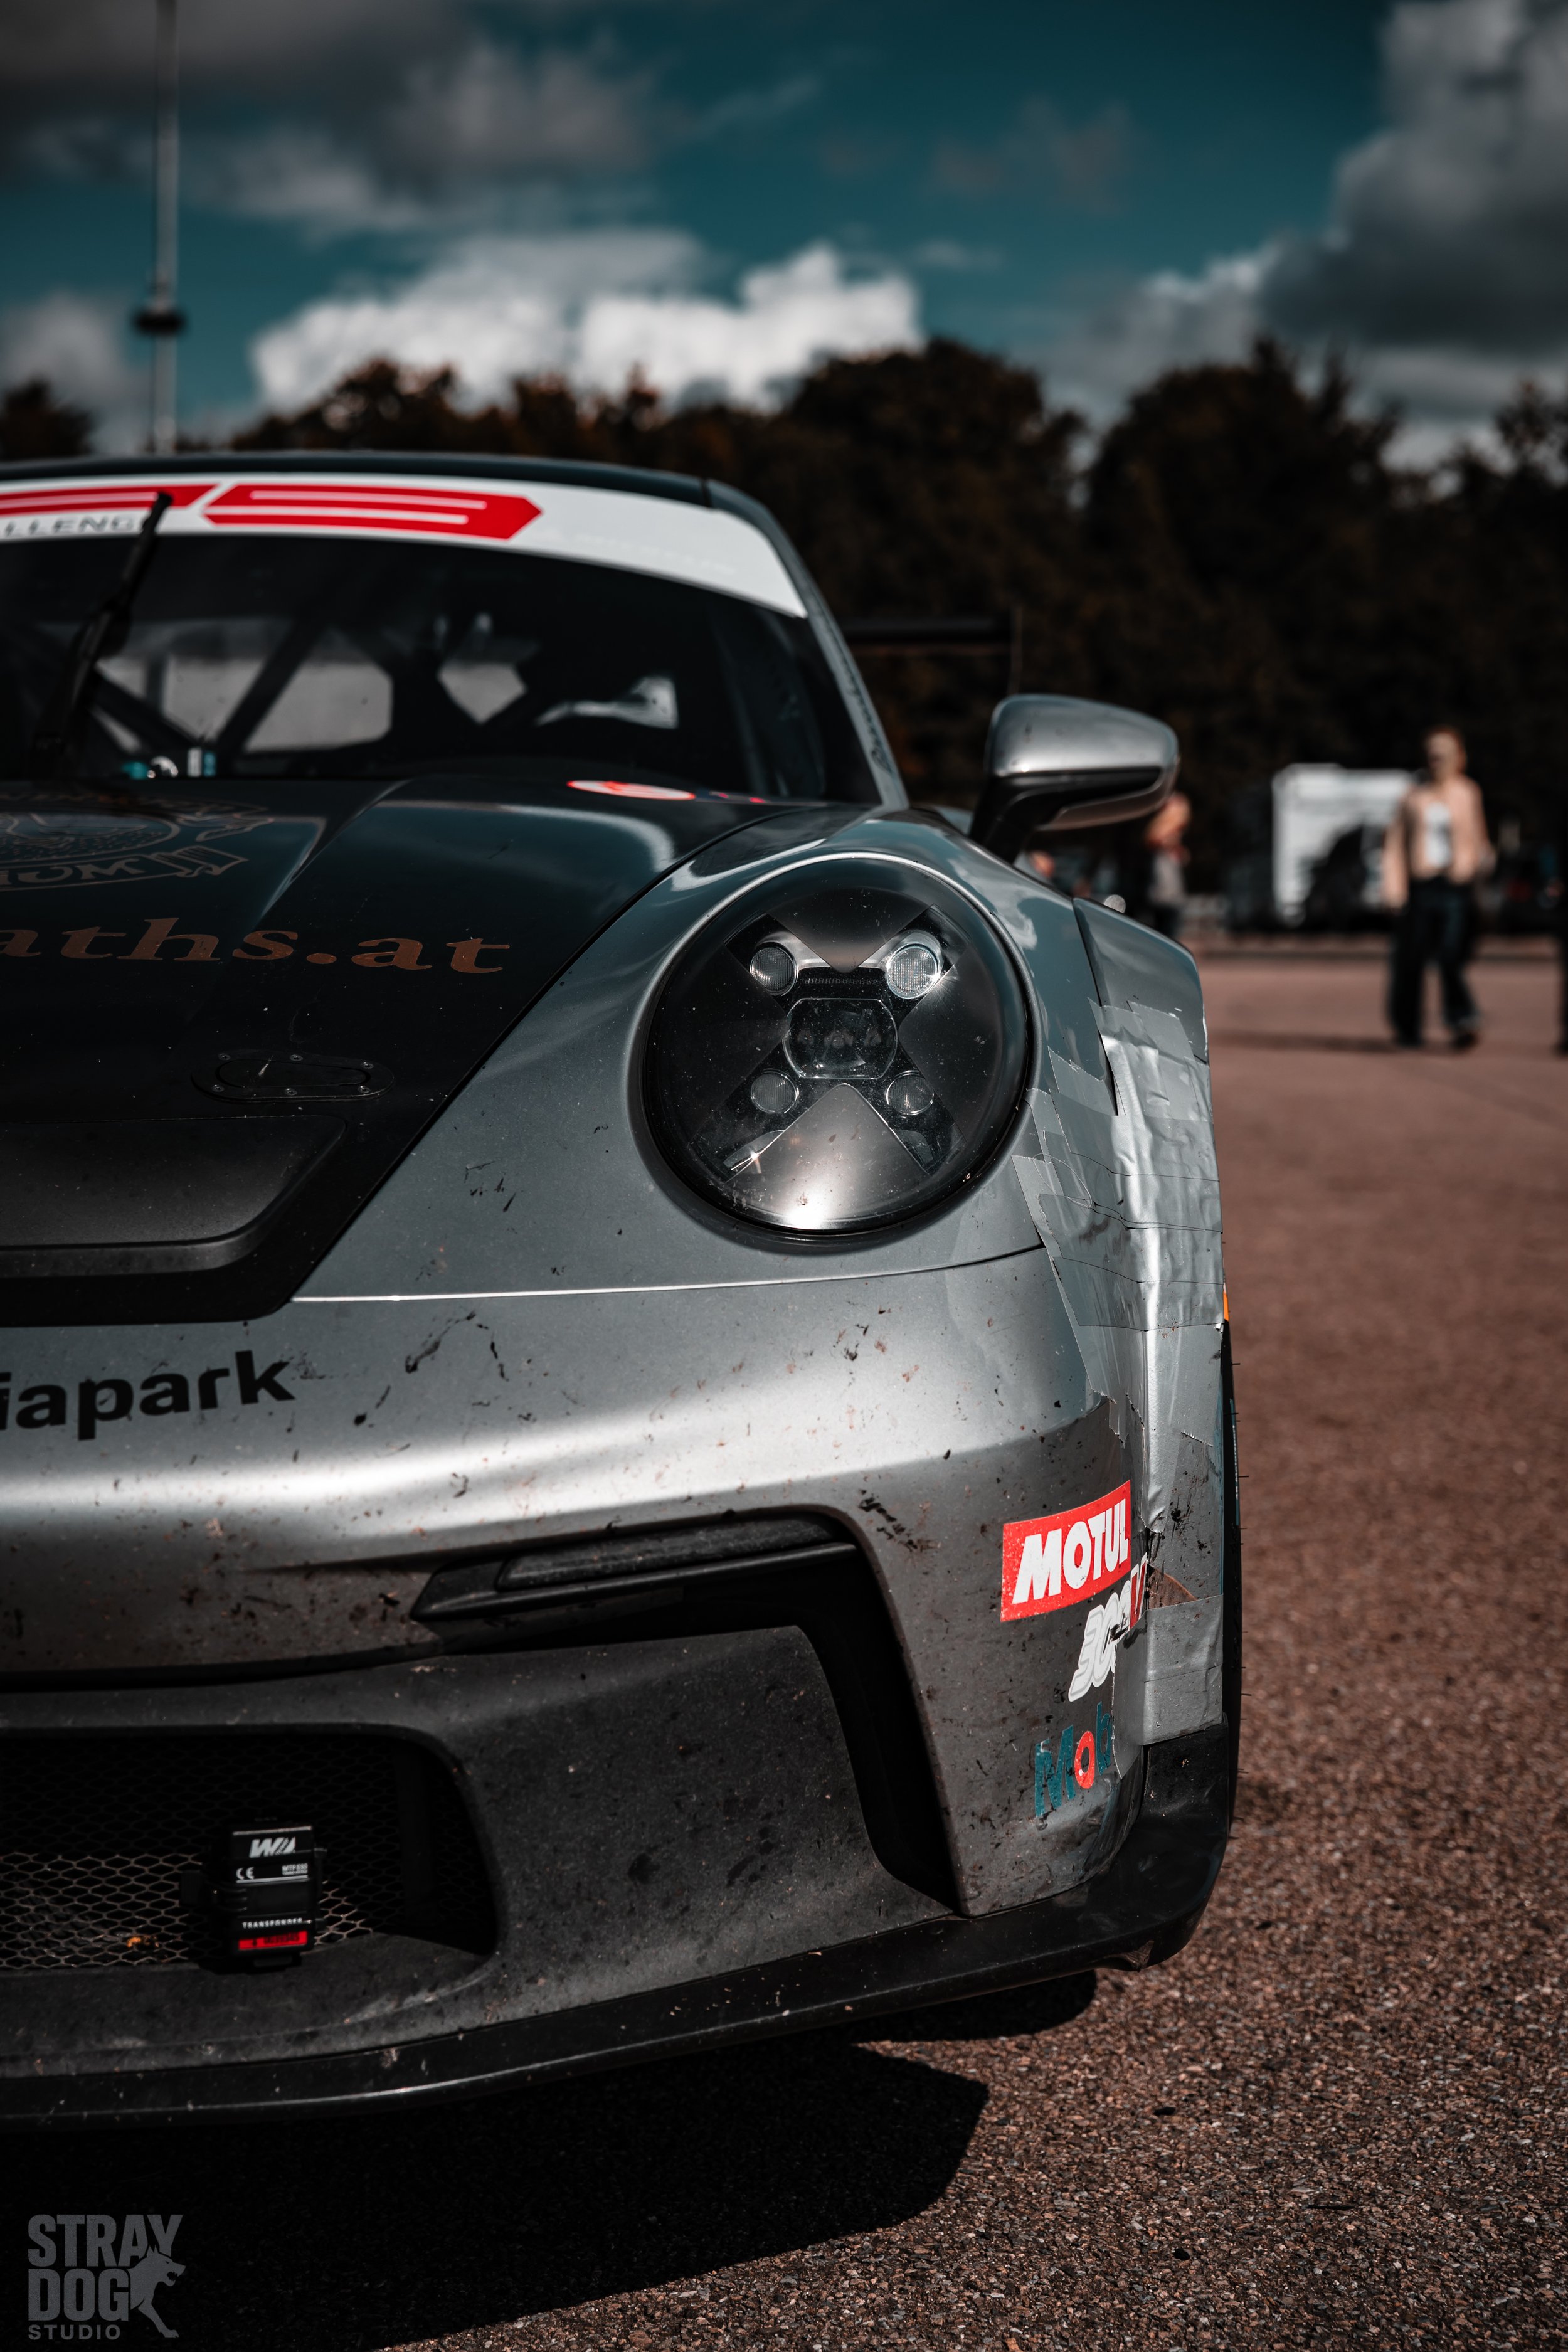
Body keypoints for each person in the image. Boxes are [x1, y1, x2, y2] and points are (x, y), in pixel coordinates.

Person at [1382, 727, 1493, 1049]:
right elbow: (1395, 846)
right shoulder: (1413, 797)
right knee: (1411, 960)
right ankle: (1408, 1027)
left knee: (1450, 956)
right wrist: (1394, 890)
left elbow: (1478, 840)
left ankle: (1462, 1019)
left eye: (1444, 752)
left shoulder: (1468, 793)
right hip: (1421, 885)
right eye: (1431, 752)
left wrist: (1479, 874)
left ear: (1458, 757)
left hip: (1455, 886)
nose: (1436, 758)